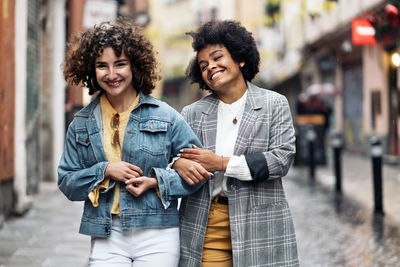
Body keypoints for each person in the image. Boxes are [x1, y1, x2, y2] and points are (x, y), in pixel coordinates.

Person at [58, 19, 208, 267]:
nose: (112, 74)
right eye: (102, 66)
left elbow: (201, 172)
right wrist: (105, 170)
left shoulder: (165, 115)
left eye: (120, 64)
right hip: (106, 233)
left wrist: (158, 181)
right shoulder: (81, 123)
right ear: (91, 70)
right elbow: (66, 182)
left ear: (134, 65)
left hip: (158, 232)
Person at [172, 20, 299, 267]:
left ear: (240, 58)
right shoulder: (192, 113)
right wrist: (177, 164)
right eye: (203, 65)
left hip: (261, 222)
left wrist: (219, 163)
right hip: (206, 222)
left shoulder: (274, 104)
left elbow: (281, 160)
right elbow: (172, 157)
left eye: (218, 58)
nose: (211, 67)